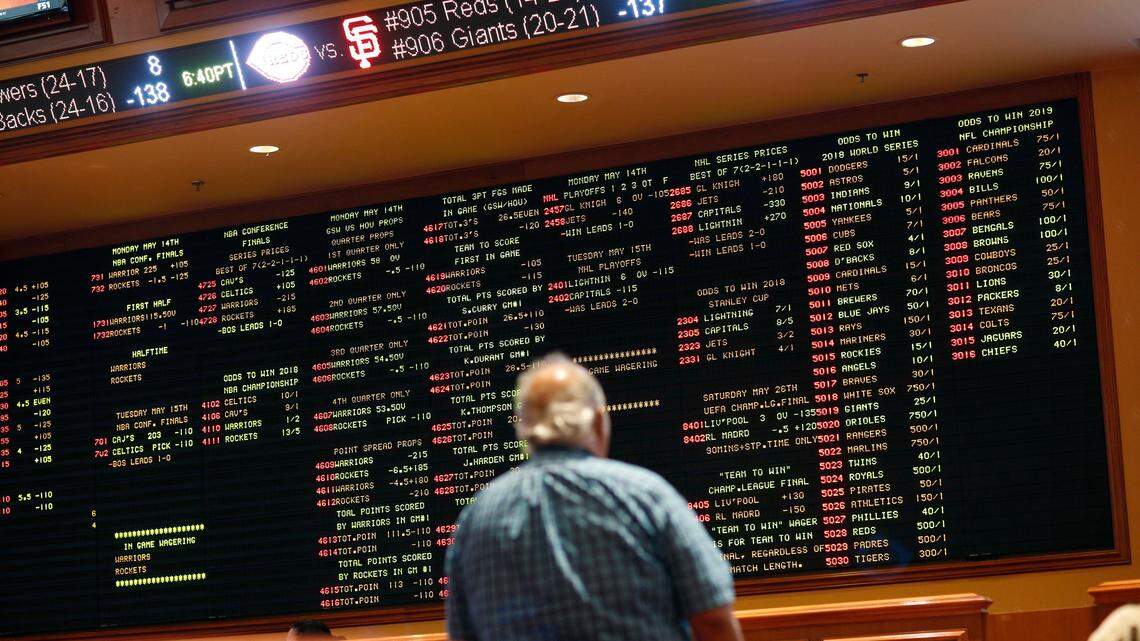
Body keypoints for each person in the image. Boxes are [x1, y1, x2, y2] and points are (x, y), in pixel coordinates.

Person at [445, 353, 743, 641]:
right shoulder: (646, 496)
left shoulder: (474, 521)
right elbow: (713, 619)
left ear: (524, 429)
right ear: (599, 421)